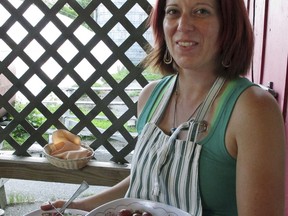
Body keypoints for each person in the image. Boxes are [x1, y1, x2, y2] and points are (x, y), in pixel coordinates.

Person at [41, 0, 286, 215]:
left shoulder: (253, 109)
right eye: (173, 11)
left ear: (228, 25)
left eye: (201, 11)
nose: (183, 25)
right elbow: (147, 178)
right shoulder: (151, 97)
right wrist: (83, 207)